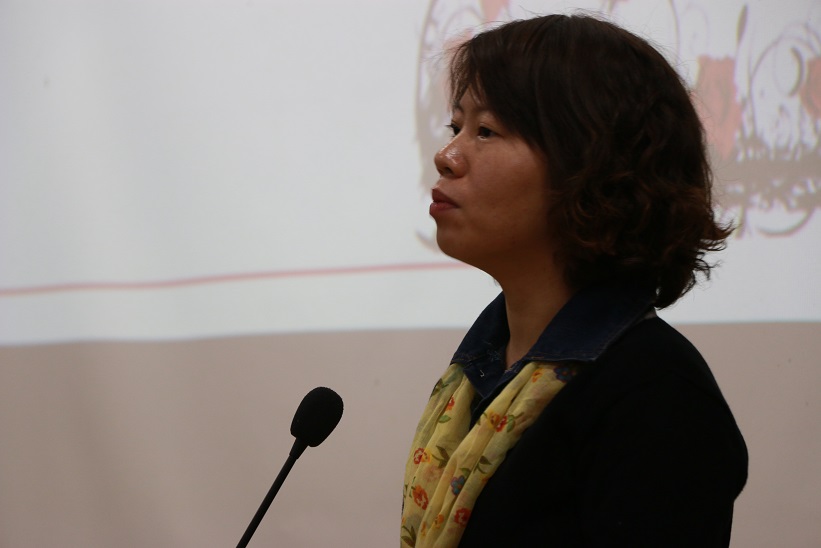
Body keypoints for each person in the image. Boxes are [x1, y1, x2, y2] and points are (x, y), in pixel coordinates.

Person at [400, 13, 748, 548]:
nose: (446, 157)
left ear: (589, 165)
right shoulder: (481, 372)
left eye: (486, 131)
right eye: (456, 128)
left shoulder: (657, 396)